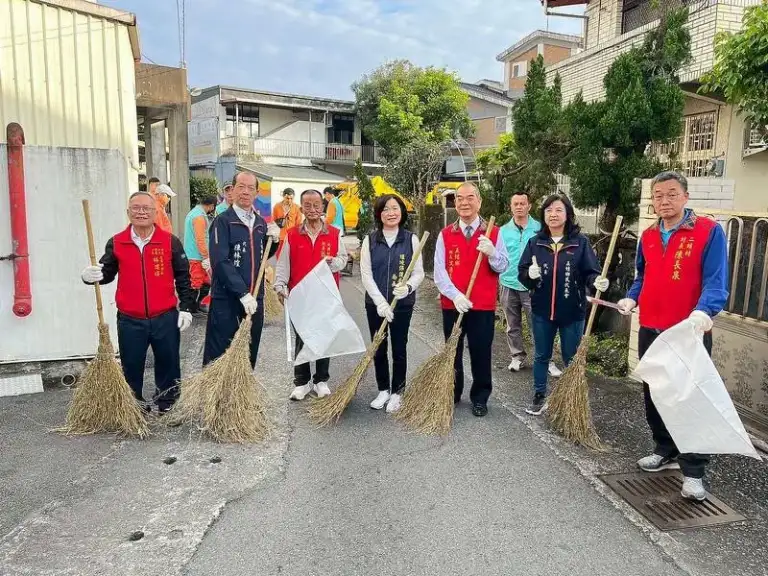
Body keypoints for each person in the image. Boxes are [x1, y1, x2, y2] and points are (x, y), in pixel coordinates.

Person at [617, 171, 729, 501]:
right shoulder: (649, 236)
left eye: (671, 194)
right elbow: (642, 276)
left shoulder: (708, 232)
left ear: (685, 196)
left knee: (688, 399)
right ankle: (664, 448)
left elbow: (717, 281)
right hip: (651, 327)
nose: (664, 201)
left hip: (686, 331)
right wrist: (632, 297)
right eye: (659, 195)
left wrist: (704, 312)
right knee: (655, 392)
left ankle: (693, 470)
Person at [80, 191, 195, 414]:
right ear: (128, 212)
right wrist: (90, 275)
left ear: (155, 213)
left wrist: (187, 308)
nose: (141, 212)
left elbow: (183, 277)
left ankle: (167, 403)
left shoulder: (169, 241)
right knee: (131, 365)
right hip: (130, 318)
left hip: (165, 316)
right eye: (136, 208)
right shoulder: (117, 242)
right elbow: (107, 273)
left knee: (169, 362)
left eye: (146, 208)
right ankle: (134, 407)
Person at [518, 194, 608, 416]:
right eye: (548, 211)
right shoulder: (535, 242)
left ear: (567, 214)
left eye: (558, 210)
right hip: (541, 310)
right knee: (541, 355)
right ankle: (539, 395)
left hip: (572, 311)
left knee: (571, 356)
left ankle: (571, 398)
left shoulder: (580, 243)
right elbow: (522, 273)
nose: (553, 214)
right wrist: (529, 274)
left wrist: (597, 281)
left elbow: (591, 272)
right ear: (543, 215)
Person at [434, 182, 509, 417]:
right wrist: (455, 295)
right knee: (452, 351)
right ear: (455, 203)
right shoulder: (446, 234)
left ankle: (480, 397)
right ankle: (453, 393)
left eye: (469, 198)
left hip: (482, 305)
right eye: (459, 198)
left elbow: (503, 266)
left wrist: (492, 253)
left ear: (479, 201)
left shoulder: (493, 233)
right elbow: (439, 272)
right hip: (452, 304)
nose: (464, 203)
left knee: (480, 351)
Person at [273, 189, 349, 401]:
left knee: (325, 337)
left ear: (322, 207)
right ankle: (301, 382)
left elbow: (343, 258)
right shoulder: (293, 235)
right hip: (300, 295)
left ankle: (321, 380)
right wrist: (280, 284)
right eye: (308, 205)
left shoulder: (334, 233)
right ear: (301, 207)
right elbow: (283, 263)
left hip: (326, 296)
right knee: (302, 338)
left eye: (317, 205)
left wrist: (334, 263)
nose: (313, 209)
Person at [203, 172, 280, 367]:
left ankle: (240, 394)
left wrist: (275, 241)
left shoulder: (260, 223)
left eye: (250, 188)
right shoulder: (223, 221)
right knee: (220, 353)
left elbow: (262, 257)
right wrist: (242, 293)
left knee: (248, 351)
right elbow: (220, 261)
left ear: (256, 193)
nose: (245, 192)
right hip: (227, 300)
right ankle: (216, 396)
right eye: (241, 187)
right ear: (232, 190)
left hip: (255, 299)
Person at [360, 194, 425, 413]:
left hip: (402, 305)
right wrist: (380, 302)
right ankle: (383, 390)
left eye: (395, 208)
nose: (391, 213)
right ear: (379, 214)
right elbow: (366, 275)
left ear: (402, 211)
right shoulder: (370, 240)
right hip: (375, 305)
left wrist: (407, 288)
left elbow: (419, 273)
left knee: (399, 348)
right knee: (378, 347)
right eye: (386, 209)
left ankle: (397, 391)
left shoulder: (410, 239)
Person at [499, 191, 561, 377]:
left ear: (529, 206)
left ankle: (546, 360)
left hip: (533, 285)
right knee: (512, 324)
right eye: (515, 204)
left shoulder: (540, 228)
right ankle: (517, 356)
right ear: (511, 207)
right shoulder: (503, 231)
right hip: (508, 283)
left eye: (522, 203)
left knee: (539, 324)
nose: (519, 207)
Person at [183, 194, 217, 313]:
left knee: (204, 281)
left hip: (193, 255)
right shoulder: (199, 217)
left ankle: (197, 306)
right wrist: (206, 256)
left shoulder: (193, 213)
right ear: (211, 206)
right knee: (196, 282)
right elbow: (201, 239)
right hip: (196, 256)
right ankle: (191, 308)